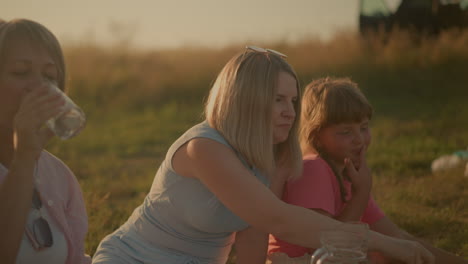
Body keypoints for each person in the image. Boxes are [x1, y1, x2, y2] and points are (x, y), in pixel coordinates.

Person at [92, 47, 433, 264]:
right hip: (135, 257)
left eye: (293, 101)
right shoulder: (204, 149)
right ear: (245, 100)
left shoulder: (273, 153)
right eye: (278, 100)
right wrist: (385, 244)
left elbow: (253, 232)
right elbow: (279, 219)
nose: (290, 112)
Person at [268, 77, 467, 263]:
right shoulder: (313, 169)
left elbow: (398, 237)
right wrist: (361, 194)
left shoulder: (348, 174)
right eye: (346, 132)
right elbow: (328, 248)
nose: (359, 139)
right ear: (316, 135)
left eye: (363, 127)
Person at [0, 19, 90, 264]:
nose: (39, 87)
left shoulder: (58, 176)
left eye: (50, 77)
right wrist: (25, 158)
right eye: (20, 72)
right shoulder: (30, 161)